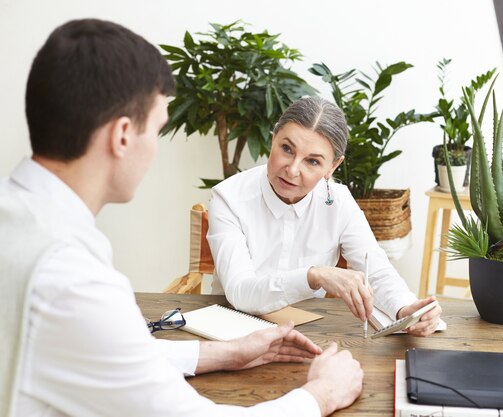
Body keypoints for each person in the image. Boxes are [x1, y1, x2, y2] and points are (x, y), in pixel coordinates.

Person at [0, 19, 363, 417]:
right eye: (157, 129)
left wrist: (221, 353)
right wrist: (321, 394)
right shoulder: (70, 276)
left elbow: (102, 356)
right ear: (122, 136)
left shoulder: (23, 224)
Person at [208, 96, 443, 337]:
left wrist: (404, 309)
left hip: (304, 334)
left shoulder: (339, 202)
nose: (293, 169)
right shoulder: (228, 197)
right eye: (287, 149)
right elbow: (240, 292)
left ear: (332, 166)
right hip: (228, 330)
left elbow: (376, 269)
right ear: (273, 138)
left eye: (312, 161)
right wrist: (314, 275)